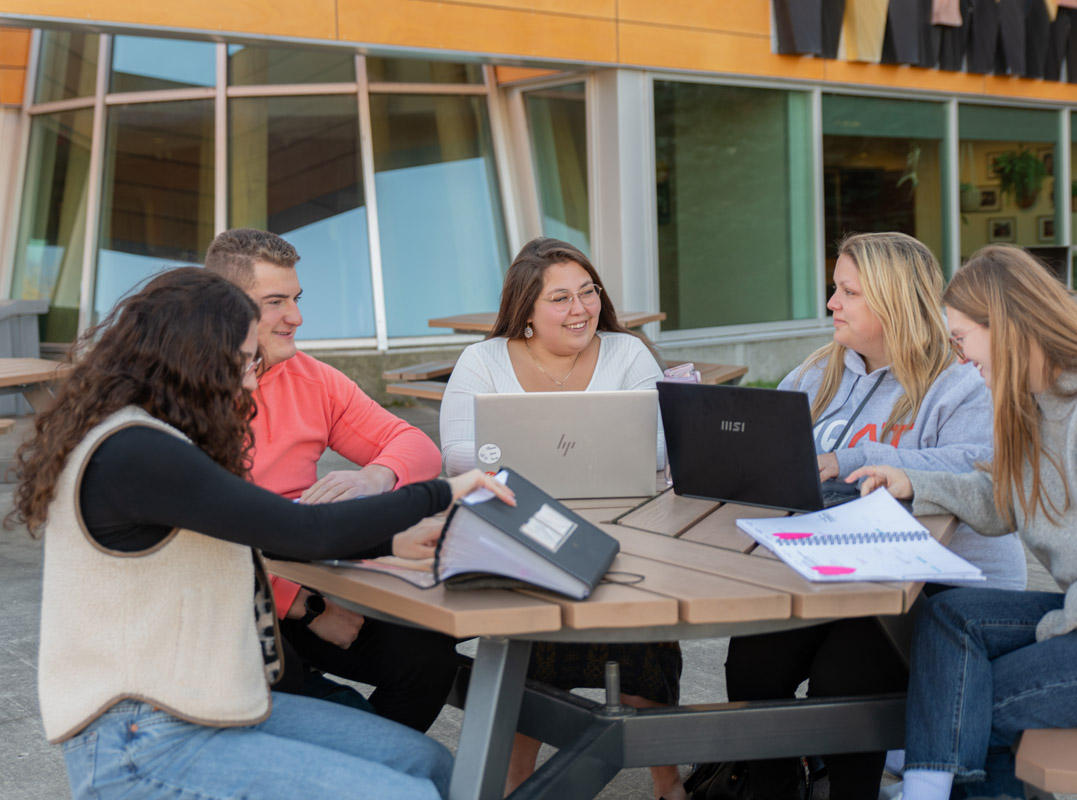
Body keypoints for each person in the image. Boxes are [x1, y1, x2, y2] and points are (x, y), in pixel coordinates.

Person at [19, 267, 514, 799]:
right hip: (141, 738)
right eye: (243, 362)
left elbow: (261, 533)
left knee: (428, 764)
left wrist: (391, 542)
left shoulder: (160, 439)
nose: (253, 381)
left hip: (215, 706)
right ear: (191, 359)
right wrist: (443, 491)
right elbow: (303, 530)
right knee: (404, 794)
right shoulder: (135, 451)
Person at [851, 244, 1077, 800]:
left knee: (979, 702)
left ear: (1006, 326)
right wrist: (916, 482)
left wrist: (1062, 628)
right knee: (949, 615)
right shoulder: (1037, 403)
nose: (959, 357)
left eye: (961, 339)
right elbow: (1006, 502)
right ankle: (926, 787)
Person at [722, 232, 1026, 800]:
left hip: (938, 580)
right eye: (835, 288)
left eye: (848, 291)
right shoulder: (819, 372)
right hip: (834, 565)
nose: (831, 303)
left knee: (845, 680)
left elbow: (977, 464)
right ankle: (776, 789)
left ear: (894, 300)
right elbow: (771, 448)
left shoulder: (961, 376)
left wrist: (853, 457)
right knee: (753, 662)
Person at [439, 236, 680, 800]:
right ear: (525, 310)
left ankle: (668, 783)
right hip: (522, 530)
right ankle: (515, 783)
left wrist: (526, 452)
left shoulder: (627, 353)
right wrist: (578, 450)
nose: (581, 309)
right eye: (561, 298)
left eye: (588, 292)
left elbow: (662, 446)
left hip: (629, 527)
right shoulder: (483, 360)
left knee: (641, 655)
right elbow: (457, 455)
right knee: (529, 660)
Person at [205, 228, 458, 733]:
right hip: (229, 603)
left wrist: (375, 477)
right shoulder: (185, 391)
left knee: (428, 657)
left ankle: (377, 767)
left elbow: (418, 448)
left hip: (308, 568)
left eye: (296, 299)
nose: (296, 317)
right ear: (225, 308)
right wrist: (306, 606)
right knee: (322, 705)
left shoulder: (311, 378)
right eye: (275, 302)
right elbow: (199, 532)